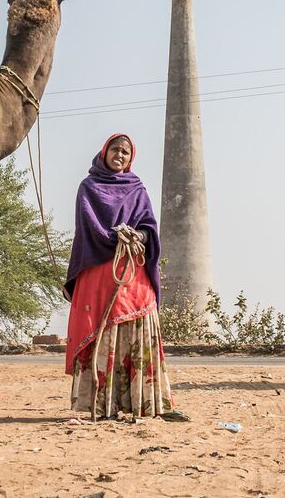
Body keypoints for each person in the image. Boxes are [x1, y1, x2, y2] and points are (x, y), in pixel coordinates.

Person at [64, 134, 181, 420]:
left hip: (133, 273)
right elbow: (88, 228)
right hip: (99, 272)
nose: (120, 155)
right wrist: (115, 236)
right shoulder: (88, 187)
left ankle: (143, 404)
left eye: (125, 152)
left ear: (131, 158)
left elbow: (149, 227)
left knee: (139, 328)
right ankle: (102, 406)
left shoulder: (137, 188)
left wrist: (138, 235)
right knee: (101, 334)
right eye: (115, 149)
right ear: (104, 152)